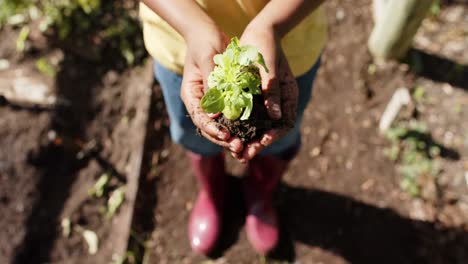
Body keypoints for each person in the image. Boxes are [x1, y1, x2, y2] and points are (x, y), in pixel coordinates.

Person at [140, 0, 327, 255]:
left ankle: (260, 193)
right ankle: (213, 190)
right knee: (194, 135)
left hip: (290, 42)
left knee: (278, 138)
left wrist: (272, 24)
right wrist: (192, 24)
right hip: (181, 42)